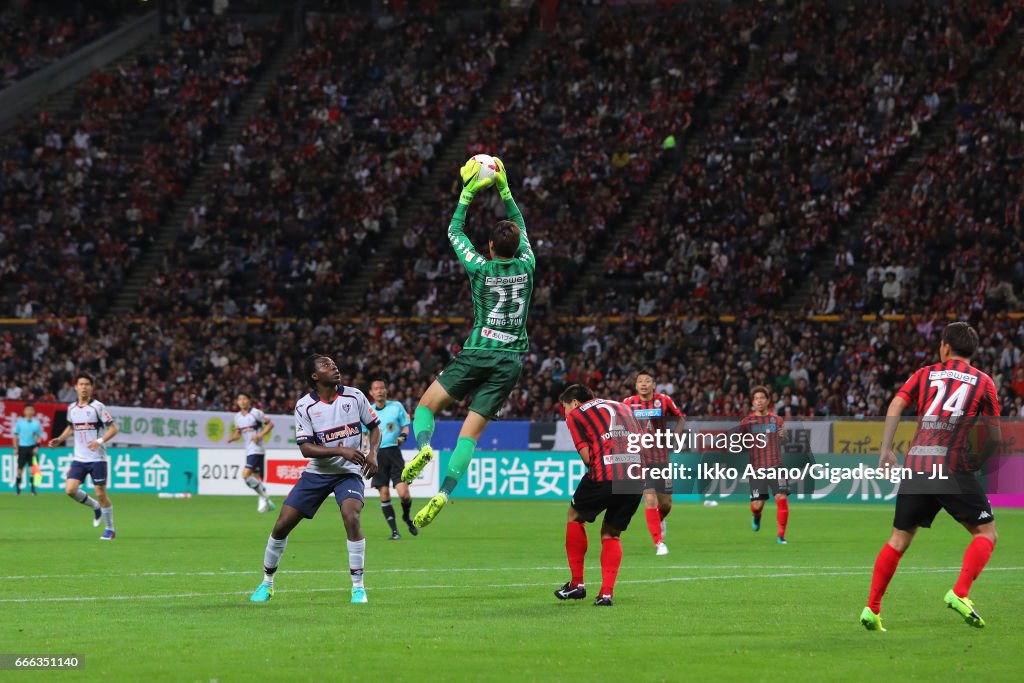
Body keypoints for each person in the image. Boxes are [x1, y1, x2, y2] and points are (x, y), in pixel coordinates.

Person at [400, 157, 535, 528]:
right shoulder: (528, 264)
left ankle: (425, 448)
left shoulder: (480, 267)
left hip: (477, 352)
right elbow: (519, 225)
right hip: (509, 362)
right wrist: (504, 189)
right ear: (519, 244)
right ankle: (444, 491)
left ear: (490, 246)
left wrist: (468, 193)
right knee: (470, 436)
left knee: (425, 407)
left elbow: (454, 232)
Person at [861, 322, 1001, 632]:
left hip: (917, 465)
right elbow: (994, 437)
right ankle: (960, 593)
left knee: (898, 540)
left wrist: (886, 449)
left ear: (945, 347)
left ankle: (872, 608)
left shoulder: (925, 373)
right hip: (952, 466)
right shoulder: (983, 382)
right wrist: (977, 462)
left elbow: (897, 403)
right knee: (987, 533)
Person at [250, 355, 381, 604]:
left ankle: (358, 588)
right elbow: (306, 449)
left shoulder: (354, 396)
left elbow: (374, 426)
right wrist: (340, 450)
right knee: (281, 525)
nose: (334, 368)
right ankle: (267, 583)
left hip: (348, 473)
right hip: (317, 473)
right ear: (314, 376)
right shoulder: (304, 406)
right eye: (326, 366)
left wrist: (373, 453)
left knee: (351, 516)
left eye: (334, 364)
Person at [554, 384, 645, 607]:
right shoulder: (622, 406)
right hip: (636, 474)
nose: (565, 412)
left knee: (575, 515)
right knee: (611, 534)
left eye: (564, 407)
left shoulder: (576, 414)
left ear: (574, 403)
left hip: (606, 471)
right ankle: (606, 594)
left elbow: (587, 458)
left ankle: (577, 584)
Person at [48, 372, 119, 540]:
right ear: (76, 387)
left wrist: (99, 441)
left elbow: (114, 429)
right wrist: (60, 439)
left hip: (97, 458)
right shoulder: (72, 408)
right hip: (79, 458)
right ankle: (95, 507)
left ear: (92, 387)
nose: (84, 387)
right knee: (70, 490)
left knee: (101, 493)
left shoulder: (98, 407)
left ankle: (110, 529)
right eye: (81, 384)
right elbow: (71, 428)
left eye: (87, 384)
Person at [623, 370, 686, 555]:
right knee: (649, 498)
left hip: (661, 458)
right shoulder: (628, 403)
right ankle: (659, 543)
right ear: (636, 386)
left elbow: (680, 418)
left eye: (647, 381)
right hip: (640, 459)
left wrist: (675, 436)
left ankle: (660, 521)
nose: (643, 384)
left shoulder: (664, 400)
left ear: (653, 385)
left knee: (666, 504)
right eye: (640, 381)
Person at [739, 386, 789, 544]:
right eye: (756, 398)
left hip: (776, 465)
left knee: (781, 498)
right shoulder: (747, 422)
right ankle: (756, 515)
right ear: (753, 402)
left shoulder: (777, 420)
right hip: (757, 469)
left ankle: (781, 535)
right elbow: (739, 443)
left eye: (762, 398)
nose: (759, 401)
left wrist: (784, 436)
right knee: (757, 505)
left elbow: (784, 440)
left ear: (768, 401)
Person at [367, 378, 416, 539]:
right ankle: (395, 531)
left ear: (386, 390)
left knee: (404, 494)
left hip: (394, 453)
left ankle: (406, 516)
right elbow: (362, 433)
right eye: (376, 388)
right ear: (371, 393)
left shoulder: (397, 407)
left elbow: (405, 426)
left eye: (382, 388)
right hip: (377, 455)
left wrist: (403, 436)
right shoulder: (368, 412)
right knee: (384, 494)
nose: (380, 390)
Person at [225, 392, 275, 513]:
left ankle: (265, 498)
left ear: (249, 401)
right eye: (239, 399)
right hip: (248, 449)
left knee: (245, 475)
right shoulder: (237, 417)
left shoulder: (256, 413)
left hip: (257, 449)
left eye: (244, 399)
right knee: (255, 477)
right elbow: (238, 434)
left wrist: (260, 435)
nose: (242, 401)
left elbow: (270, 424)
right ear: (237, 402)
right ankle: (266, 503)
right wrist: (232, 438)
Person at [13, 403, 44, 496]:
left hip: (31, 448)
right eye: (28, 410)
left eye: (31, 410)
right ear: (24, 411)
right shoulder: (20, 422)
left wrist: (37, 447)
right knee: (20, 470)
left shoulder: (36, 423)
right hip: (22, 447)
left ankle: (32, 490)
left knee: (32, 470)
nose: (29, 411)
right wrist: (15, 448)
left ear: (34, 411)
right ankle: (18, 489)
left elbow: (39, 437)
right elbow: (15, 436)